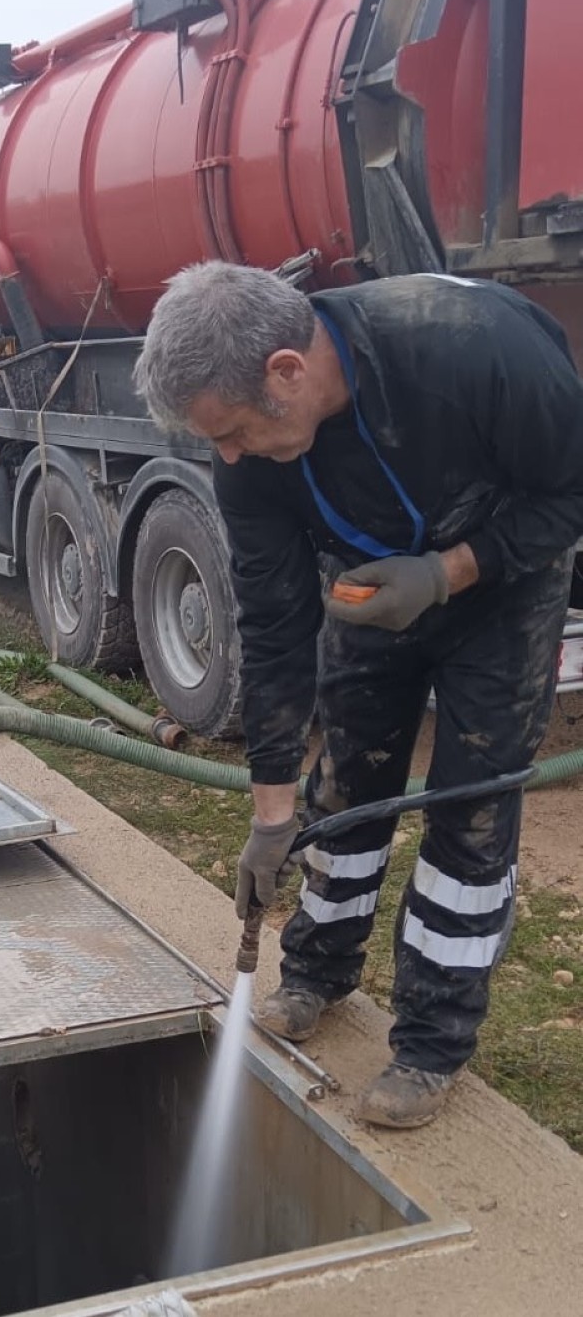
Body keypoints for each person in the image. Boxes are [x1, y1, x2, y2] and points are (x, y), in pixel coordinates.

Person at [133, 262, 583, 1129]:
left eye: (232, 434)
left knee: (472, 809)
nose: (228, 458)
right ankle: (316, 973)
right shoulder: (250, 460)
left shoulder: (476, 351)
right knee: (343, 786)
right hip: (373, 592)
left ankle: (431, 1042)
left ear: (286, 372)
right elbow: (272, 626)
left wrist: (452, 571)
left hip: (505, 586)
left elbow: (570, 491)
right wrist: (271, 817)